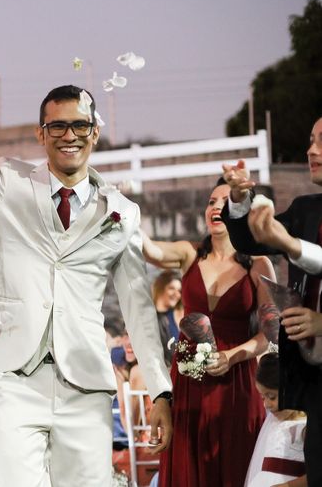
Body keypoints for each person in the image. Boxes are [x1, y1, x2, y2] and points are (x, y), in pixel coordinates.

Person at [0, 80, 173, 486]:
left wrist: (161, 391)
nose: (69, 135)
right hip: (15, 379)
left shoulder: (122, 213)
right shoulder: (6, 183)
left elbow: (138, 309)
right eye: (57, 126)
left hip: (85, 383)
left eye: (80, 126)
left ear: (94, 132)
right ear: (41, 133)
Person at [143, 179, 274, 486]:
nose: (216, 207)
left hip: (236, 382)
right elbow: (149, 249)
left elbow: (270, 333)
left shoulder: (259, 265)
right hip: (189, 381)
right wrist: (118, 210)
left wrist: (232, 355)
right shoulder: (189, 254)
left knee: (234, 464)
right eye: (211, 201)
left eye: (226, 202)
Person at [223, 116, 322, 484]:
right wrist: (238, 200)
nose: (310, 150)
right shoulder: (305, 209)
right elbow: (253, 241)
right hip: (311, 379)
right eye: (310, 140)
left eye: (320, 141)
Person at [245, 352, 308, 487]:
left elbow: (316, 475)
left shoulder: (306, 426)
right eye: (263, 397)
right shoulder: (273, 422)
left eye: (272, 397)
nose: (266, 405)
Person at [151, 270, 183, 364]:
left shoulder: (179, 315)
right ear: (161, 287)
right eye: (171, 288)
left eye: (179, 291)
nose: (176, 294)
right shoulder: (147, 315)